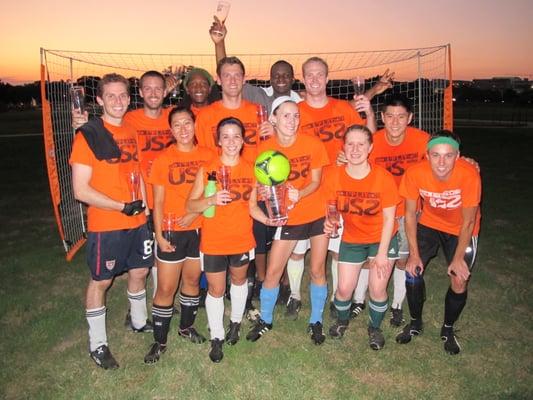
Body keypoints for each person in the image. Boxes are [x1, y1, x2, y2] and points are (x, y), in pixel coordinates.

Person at [69, 73, 153, 369]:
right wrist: (121, 206)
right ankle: (98, 344)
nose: (118, 101)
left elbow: (139, 171)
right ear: (100, 100)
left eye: (123, 95)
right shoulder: (89, 134)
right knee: (102, 280)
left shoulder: (132, 129)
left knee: (141, 270)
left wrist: (146, 208)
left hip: (138, 218)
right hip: (107, 222)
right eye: (111, 96)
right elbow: (80, 190)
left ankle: (139, 321)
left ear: (130, 98)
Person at [286, 56, 377, 320]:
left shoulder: (343, 109)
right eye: (309, 75)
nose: (314, 79)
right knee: (297, 250)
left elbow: (367, 139)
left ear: (327, 78)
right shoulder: (296, 111)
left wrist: (369, 113)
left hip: (338, 189)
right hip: (304, 189)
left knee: (337, 249)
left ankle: (340, 298)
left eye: (319, 74)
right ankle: (294, 294)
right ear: (303, 79)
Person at [186, 117, 279, 363]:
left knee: (239, 280)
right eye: (225, 136)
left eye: (236, 136)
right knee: (216, 289)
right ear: (218, 140)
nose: (231, 141)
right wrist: (210, 200)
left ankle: (235, 322)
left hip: (241, 238)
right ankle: (216, 336)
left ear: (242, 140)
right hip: (214, 240)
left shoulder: (251, 169)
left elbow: (251, 207)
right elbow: (190, 204)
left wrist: (268, 220)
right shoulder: (208, 169)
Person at [246, 97, 330, 345]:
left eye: (296, 116)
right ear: (273, 118)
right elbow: (258, 188)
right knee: (273, 271)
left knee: (317, 269)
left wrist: (299, 193)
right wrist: (264, 195)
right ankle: (267, 319)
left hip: (316, 211)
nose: (292, 121)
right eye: (286, 115)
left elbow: (315, 181)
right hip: (289, 217)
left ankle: (316, 321)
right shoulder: (264, 150)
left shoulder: (313, 144)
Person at [346, 95, 430, 326]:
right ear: (382, 117)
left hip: (407, 210)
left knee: (402, 260)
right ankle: (359, 299)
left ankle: (396, 305)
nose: (395, 122)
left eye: (401, 117)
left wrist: (467, 162)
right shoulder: (373, 142)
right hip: (376, 211)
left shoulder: (422, 140)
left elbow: (446, 157)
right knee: (368, 259)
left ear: (410, 118)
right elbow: (355, 163)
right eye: (390, 116)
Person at [396, 130, 481, 355]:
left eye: (448, 155)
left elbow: (469, 220)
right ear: (427, 155)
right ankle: (415, 323)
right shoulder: (415, 173)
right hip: (430, 223)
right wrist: (414, 254)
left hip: (461, 228)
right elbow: (410, 214)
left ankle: (448, 328)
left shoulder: (469, 174)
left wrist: (457, 258)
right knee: (412, 272)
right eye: (435, 155)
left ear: (458, 155)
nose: (441, 162)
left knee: (459, 279)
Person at [143, 107, 215, 364]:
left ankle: (186, 327)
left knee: (193, 281)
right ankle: (159, 341)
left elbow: (215, 189)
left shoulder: (210, 155)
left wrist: (195, 215)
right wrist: (159, 235)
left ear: (195, 126)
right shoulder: (163, 159)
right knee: (165, 287)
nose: (183, 129)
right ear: (170, 129)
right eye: (177, 124)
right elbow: (158, 202)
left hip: (199, 230)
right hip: (172, 231)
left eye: (187, 123)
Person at [323, 124, 400, 350]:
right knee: (344, 289)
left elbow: (389, 219)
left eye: (361, 144)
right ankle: (342, 320)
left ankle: (374, 328)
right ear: (343, 147)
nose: (355, 149)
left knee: (377, 288)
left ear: (370, 148)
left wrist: (383, 254)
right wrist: (330, 222)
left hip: (382, 239)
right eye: (350, 144)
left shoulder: (383, 178)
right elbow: (331, 210)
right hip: (353, 237)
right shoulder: (334, 176)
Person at [195, 57, 272, 164]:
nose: (233, 81)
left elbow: (267, 149)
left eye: (237, 75)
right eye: (227, 76)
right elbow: (202, 155)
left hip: (252, 178)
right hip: (219, 177)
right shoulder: (205, 116)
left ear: (244, 79)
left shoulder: (258, 112)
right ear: (219, 80)